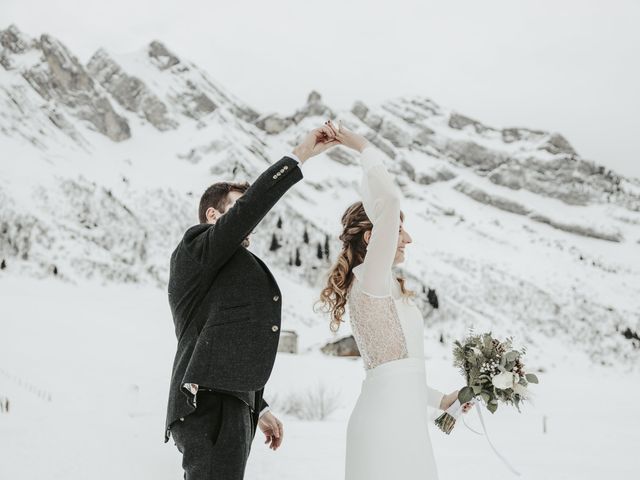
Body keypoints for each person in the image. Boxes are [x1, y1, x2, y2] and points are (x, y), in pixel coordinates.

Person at [166, 125, 339, 480]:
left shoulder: (223, 269)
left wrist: (259, 408)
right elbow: (249, 209)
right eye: (235, 210)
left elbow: (225, 337)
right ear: (214, 216)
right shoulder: (196, 249)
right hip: (208, 404)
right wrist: (301, 153)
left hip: (231, 404)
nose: (250, 225)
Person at [319, 121, 472, 479]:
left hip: (407, 424)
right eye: (399, 230)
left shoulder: (386, 283)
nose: (408, 239)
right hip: (384, 426)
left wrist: (442, 401)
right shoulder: (369, 281)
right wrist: (361, 145)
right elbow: (389, 200)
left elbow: (401, 371)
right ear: (372, 237)